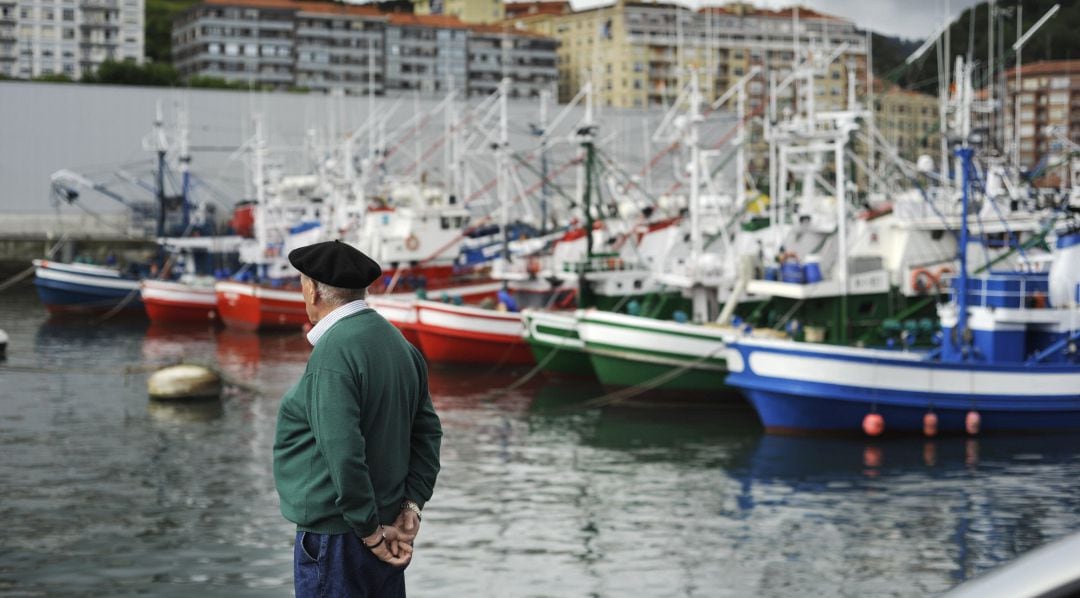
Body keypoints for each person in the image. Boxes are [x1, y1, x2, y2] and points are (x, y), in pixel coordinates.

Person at [273, 239, 442, 598]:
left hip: (339, 538)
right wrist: (411, 505)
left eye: (302, 283)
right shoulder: (401, 346)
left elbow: (343, 450)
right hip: (386, 527)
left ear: (314, 290)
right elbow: (428, 434)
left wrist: (369, 531)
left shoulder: (333, 354)